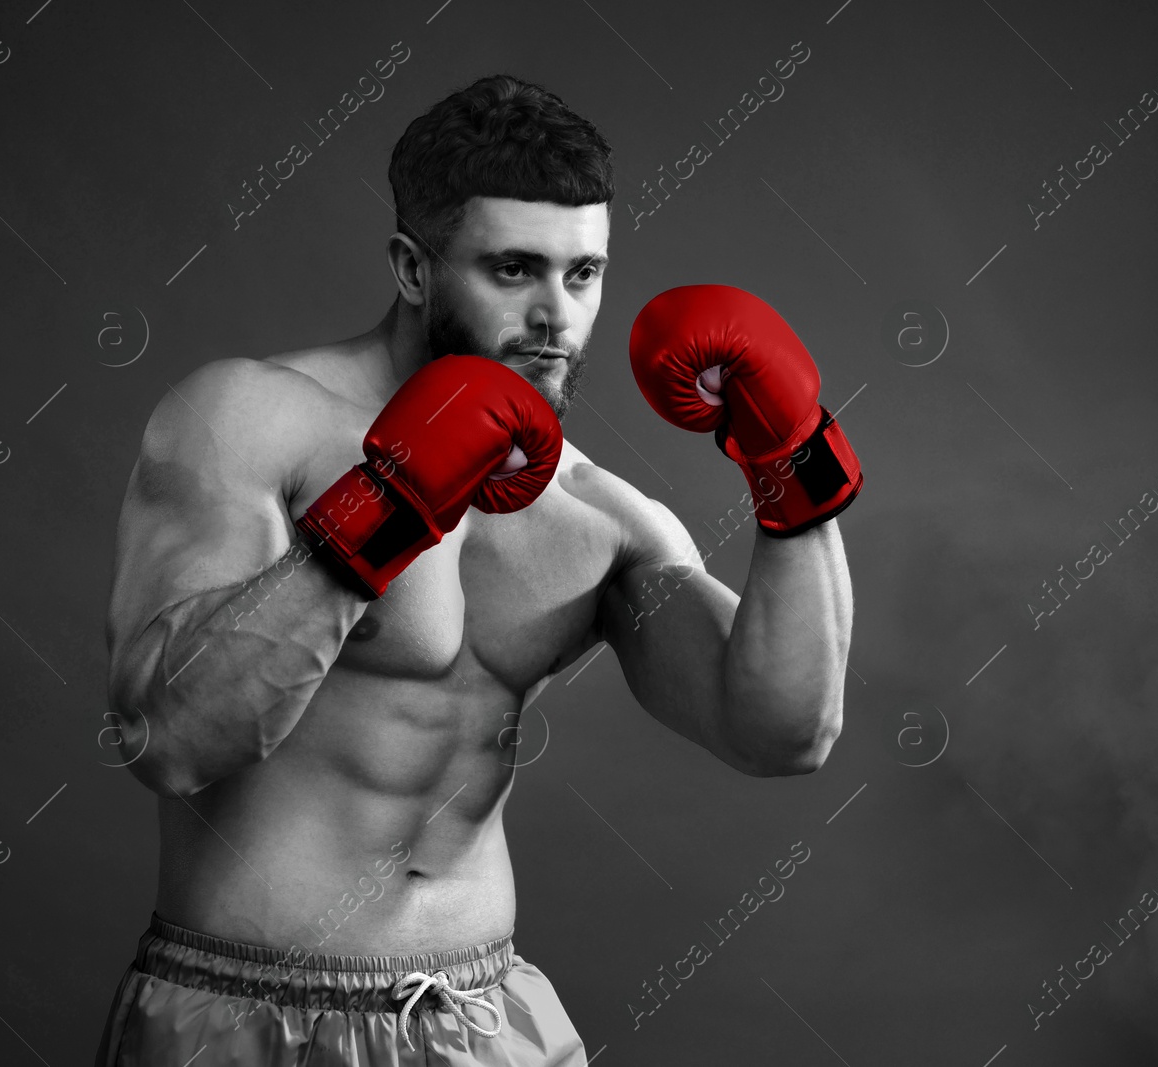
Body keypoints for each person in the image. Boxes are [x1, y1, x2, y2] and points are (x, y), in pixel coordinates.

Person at [96, 73, 862, 1066]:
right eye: (514, 269)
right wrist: (383, 513)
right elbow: (169, 739)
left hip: (483, 1022)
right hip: (245, 1019)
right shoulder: (250, 418)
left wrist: (788, 456)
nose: (556, 314)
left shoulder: (596, 513)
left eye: (584, 274)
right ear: (413, 269)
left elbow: (781, 730)